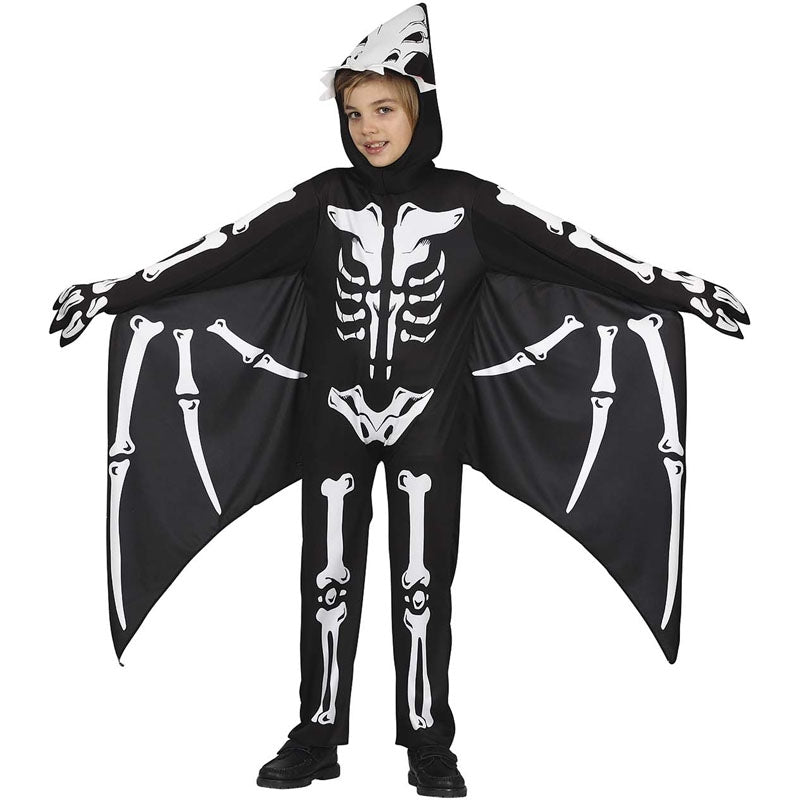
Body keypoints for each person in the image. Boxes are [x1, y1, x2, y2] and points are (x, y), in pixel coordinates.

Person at [48, 4, 749, 797]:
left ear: (421, 109)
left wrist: (676, 289)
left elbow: (570, 248)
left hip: (428, 419)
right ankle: (317, 733)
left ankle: (428, 739)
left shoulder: (471, 204)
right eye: (354, 113)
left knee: (424, 582)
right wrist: (116, 292)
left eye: (384, 109)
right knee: (326, 577)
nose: (367, 129)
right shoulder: (321, 200)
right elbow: (225, 249)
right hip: (332, 416)